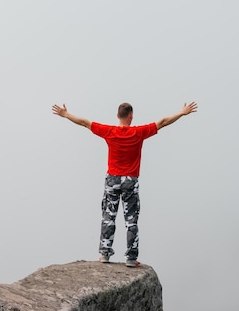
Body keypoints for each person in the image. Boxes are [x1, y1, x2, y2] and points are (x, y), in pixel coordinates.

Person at [52, 101, 198, 267]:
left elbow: (85, 123)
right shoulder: (138, 132)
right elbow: (163, 121)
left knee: (109, 217)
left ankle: (105, 254)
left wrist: (66, 115)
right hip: (130, 180)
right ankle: (130, 258)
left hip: (112, 179)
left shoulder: (109, 132)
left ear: (117, 116)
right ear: (131, 116)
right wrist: (182, 112)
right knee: (131, 220)